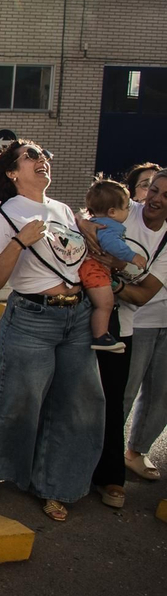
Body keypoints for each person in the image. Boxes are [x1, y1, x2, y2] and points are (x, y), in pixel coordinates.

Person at [0, 141, 102, 522]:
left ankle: (56, 486)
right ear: (12, 172)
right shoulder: (4, 216)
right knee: (16, 399)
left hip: (77, 317)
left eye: (45, 156)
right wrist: (19, 242)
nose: (42, 161)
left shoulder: (60, 209)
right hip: (32, 317)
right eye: (31, 157)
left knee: (76, 404)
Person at [117, 171, 167, 489]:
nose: (156, 197)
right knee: (124, 391)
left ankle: (136, 451)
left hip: (165, 319)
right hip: (135, 321)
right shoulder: (126, 214)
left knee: (161, 395)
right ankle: (103, 453)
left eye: (165, 195)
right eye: (154, 189)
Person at [80, 180, 147, 352]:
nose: (128, 211)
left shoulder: (92, 222)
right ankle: (101, 336)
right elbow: (112, 245)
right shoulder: (109, 226)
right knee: (105, 304)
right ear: (112, 212)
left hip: (89, 268)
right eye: (126, 208)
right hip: (95, 269)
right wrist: (132, 256)